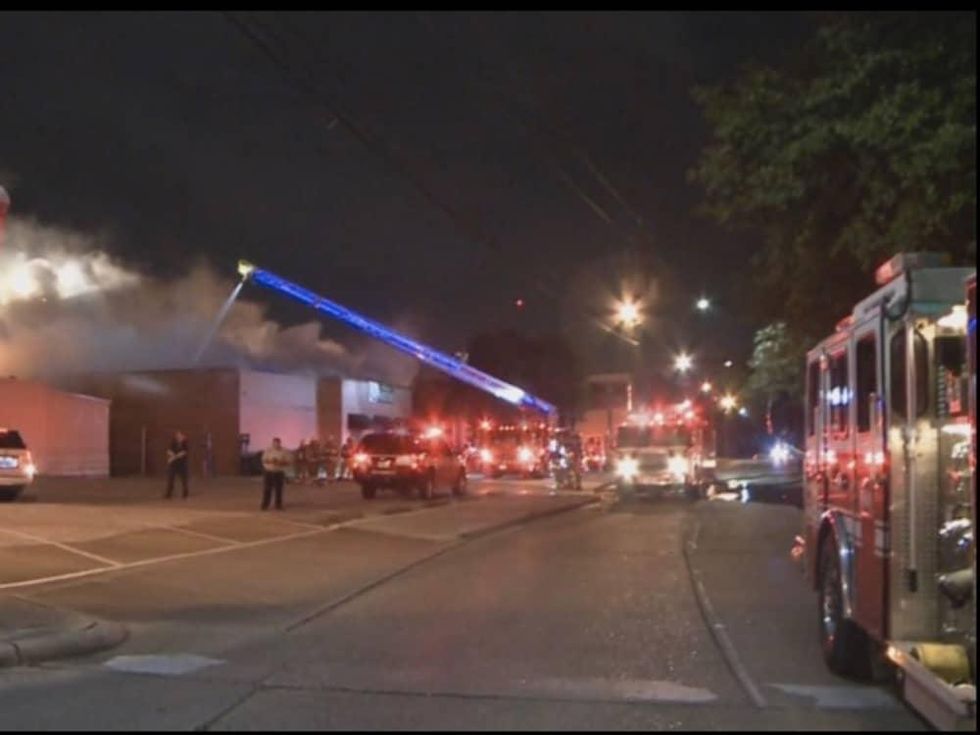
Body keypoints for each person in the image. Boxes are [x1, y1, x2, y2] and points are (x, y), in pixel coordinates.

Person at [261, 437, 290, 510]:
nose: (276, 445)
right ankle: (265, 505)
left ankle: (278, 505)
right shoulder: (268, 450)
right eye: (274, 443)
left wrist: (279, 462)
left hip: (279, 472)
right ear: (272, 443)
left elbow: (288, 461)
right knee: (267, 489)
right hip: (269, 472)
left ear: (280, 443)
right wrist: (271, 461)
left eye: (277, 443)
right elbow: (264, 460)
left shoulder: (284, 451)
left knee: (278, 490)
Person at [165, 430, 190, 499]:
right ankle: (168, 494)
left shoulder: (185, 444)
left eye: (180, 436)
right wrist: (172, 456)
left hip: (182, 465)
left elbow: (183, 453)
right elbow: (169, 451)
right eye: (177, 436)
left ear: (182, 437)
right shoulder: (173, 443)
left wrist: (173, 457)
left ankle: (185, 494)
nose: (179, 437)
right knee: (171, 479)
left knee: (184, 480)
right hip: (174, 465)